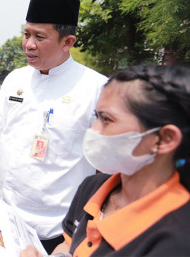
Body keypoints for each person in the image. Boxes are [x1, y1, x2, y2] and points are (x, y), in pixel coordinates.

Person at [0, 0, 107, 254]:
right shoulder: (17, 78)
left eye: (39, 37)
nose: (28, 44)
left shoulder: (96, 89)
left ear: (68, 42)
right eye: (26, 34)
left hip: (50, 230)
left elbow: (106, 164)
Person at [21, 64, 190, 257]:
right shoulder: (92, 188)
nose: (93, 130)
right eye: (96, 117)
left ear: (165, 139)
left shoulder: (178, 241)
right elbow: (69, 246)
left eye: (106, 119)